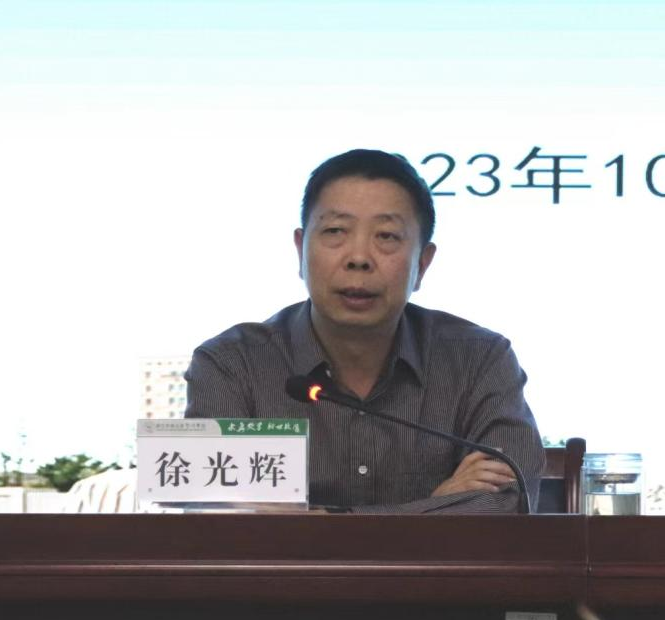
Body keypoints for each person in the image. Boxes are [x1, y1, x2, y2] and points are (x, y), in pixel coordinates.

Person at [185, 148, 543, 513]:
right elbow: (217, 518)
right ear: (300, 249)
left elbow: (505, 502)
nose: (358, 258)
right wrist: (432, 510)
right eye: (335, 231)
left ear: (422, 263)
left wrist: (319, 522)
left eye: (386, 236)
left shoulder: (479, 359)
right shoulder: (233, 365)